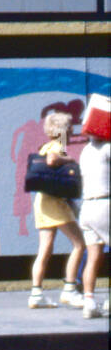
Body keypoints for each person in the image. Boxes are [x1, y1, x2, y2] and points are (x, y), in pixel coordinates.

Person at [26, 111, 85, 309]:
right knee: (79, 244)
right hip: (55, 204)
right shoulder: (56, 147)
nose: (72, 131)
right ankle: (69, 289)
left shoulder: (44, 146)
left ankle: (36, 293)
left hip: (43, 202)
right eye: (69, 127)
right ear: (62, 130)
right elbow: (52, 160)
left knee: (44, 250)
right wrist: (70, 161)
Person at [77, 94, 110, 320]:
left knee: (93, 256)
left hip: (86, 208)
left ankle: (89, 301)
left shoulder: (85, 151)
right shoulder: (107, 148)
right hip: (105, 203)